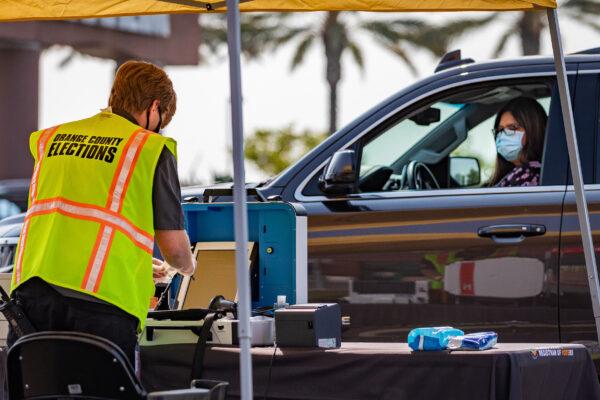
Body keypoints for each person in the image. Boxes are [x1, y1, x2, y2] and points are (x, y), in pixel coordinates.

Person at [8, 60, 196, 365]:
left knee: (37, 387)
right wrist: (189, 267)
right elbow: (175, 251)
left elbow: (71, 219)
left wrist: (133, 258)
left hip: (33, 294)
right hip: (101, 307)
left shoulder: (53, 138)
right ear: (154, 106)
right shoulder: (148, 148)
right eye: (162, 119)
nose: (160, 128)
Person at [490, 97, 548, 187]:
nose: (503, 135)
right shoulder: (513, 174)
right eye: (500, 129)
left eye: (512, 128)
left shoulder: (529, 179)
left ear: (534, 130)